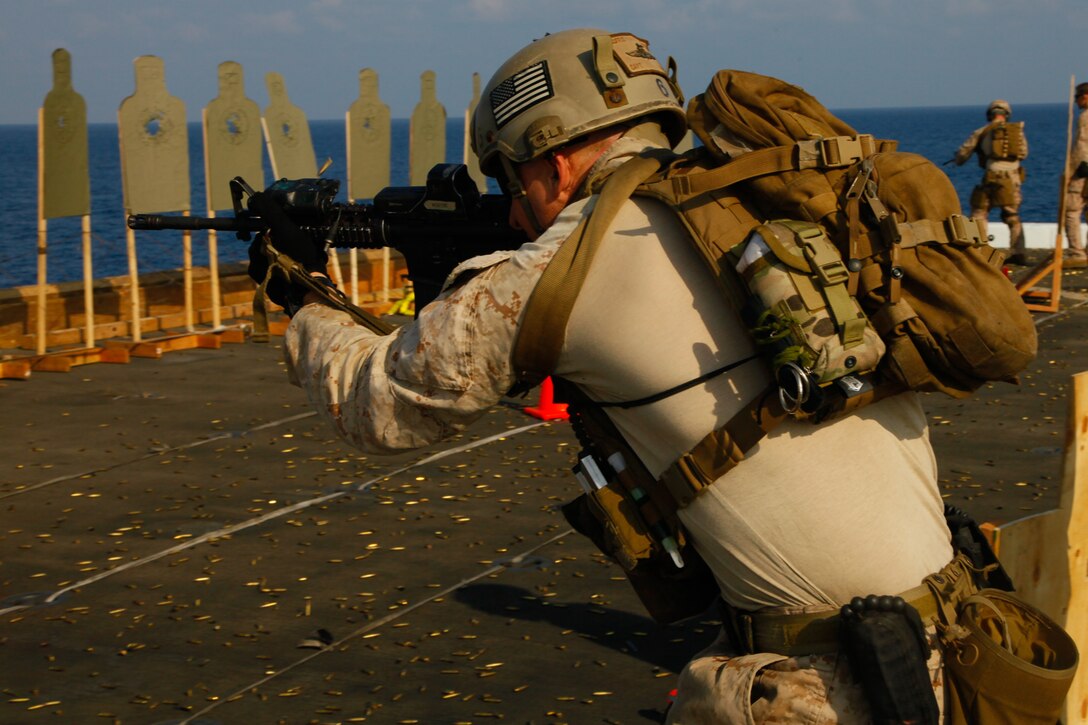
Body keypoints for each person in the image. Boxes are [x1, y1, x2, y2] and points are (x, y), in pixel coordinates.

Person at [250, 29, 959, 723]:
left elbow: (379, 404)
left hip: (832, 687)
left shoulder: (559, 269)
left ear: (554, 163)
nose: (511, 206)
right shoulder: (752, 206)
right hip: (960, 633)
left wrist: (302, 294)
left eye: (508, 177)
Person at [953, 99, 1030, 265]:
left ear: (990, 114)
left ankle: (978, 251)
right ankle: (1019, 252)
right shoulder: (1017, 132)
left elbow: (963, 154)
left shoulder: (982, 131)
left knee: (979, 212)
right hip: (1013, 179)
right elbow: (1023, 153)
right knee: (1012, 215)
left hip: (991, 176)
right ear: (1007, 115)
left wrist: (956, 159)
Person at [1063, 82, 1088, 268]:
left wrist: (1071, 172)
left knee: (1071, 210)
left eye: (1077, 98)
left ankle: (1077, 252)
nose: (1076, 102)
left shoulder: (1085, 117)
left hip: (1083, 170)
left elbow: (1081, 145)